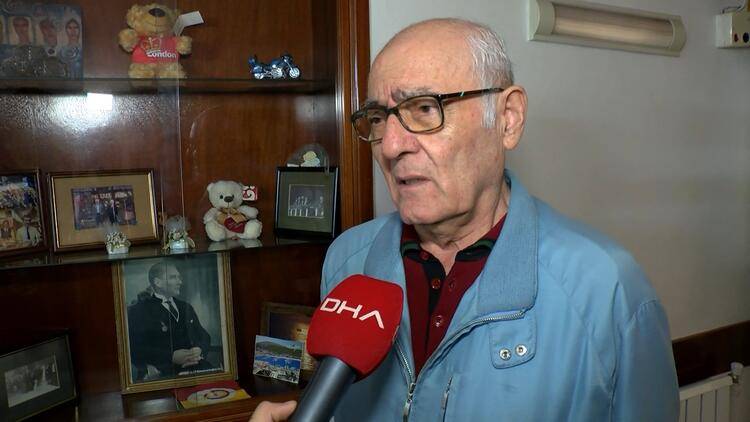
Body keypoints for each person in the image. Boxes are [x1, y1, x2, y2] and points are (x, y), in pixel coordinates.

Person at [253, 18, 679, 421]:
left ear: (507, 119)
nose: (391, 146)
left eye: (424, 108)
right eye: (379, 118)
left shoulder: (606, 289)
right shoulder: (348, 259)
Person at [127, 261, 215, 381]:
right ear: (158, 282)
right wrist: (171, 357)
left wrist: (199, 349)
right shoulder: (139, 310)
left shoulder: (185, 306)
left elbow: (204, 335)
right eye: (173, 277)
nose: (180, 282)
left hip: (195, 368)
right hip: (162, 373)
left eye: (179, 277)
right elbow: (135, 348)